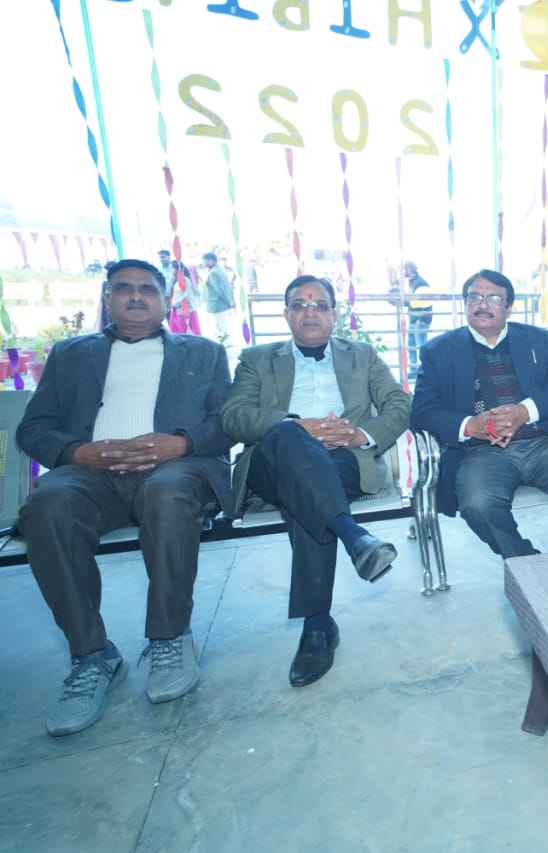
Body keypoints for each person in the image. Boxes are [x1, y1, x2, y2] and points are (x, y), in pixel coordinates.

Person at [16, 259, 233, 736]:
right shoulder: (71, 354)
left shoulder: (204, 352)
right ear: (107, 297)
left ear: (166, 300)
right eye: (123, 288)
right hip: (90, 472)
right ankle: (91, 655)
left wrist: (181, 443)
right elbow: (33, 428)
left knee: (168, 495)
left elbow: (227, 422)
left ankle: (169, 637)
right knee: (48, 505)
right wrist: (79, 452)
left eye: (147, 289)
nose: (136, 296)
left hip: (173, 467)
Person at [221, 275, 409, 687]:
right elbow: (233, 417)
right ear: (286, 313)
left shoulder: (362, 355)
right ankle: (354, 536)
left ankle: (317, 624)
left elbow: (399, 403)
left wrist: (360, 435)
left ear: (334, 315)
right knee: (291, 439)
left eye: (320, 305)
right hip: (272, 462)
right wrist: (295, 425)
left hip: (344, 458)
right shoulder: (257, 359)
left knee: (309, 493)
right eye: (300, 305)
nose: (310, 312)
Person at [412, 269, 548, 558]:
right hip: (480, 450)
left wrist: (524, 411)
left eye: (493, 298)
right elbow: (422, 412)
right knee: (478, 504)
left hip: (543, 441)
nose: (482, 305)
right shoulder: (438, 350)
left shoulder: (535, 339)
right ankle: (525, 562)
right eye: (474, 297)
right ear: (465, 303)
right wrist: (470, 426)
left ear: (509, 307)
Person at [403, 261, 433, 373]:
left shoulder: (420, 283)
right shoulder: (412, 283)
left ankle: (425, 370)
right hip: (413, 318)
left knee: (421, 347)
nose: (402, 272)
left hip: (419, 320)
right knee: (411, 346)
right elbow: (412, 301)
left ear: (409, 269)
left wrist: (422, 319)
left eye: (404, 270)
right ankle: (414, 371)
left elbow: (427, 302)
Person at [202, 252, 236, 344]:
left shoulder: (214, 272)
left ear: (210, 260)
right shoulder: (220, 269)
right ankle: (225, 344)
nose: (203, 263)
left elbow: (220, 289)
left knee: (221, 327)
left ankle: (225, 345)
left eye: (205, 261)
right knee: (221, 327)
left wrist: (229, 301)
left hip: (217, 304)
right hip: (221, 304)